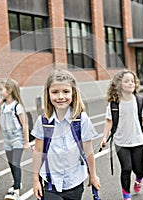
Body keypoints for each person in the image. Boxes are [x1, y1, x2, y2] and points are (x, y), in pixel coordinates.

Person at [32, 69, 101, 200]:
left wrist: (93, 175)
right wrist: (36, 180)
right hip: (51, 183)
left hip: (74, 181)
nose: (60, 97)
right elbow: (38, 152)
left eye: (66, 91)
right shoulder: (43, 121)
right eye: (55, 92)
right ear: (48, 94)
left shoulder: (82, 120)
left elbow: (88, 151)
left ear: (73, 93)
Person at [100, 69, 143, 200]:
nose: (131, 83)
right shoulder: (114, 104)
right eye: (126, 81)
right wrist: (104, 137)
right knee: (126, 169)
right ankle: (126, 196)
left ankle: (139, 179)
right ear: (119, 85)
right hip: (121, 142)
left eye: (132, 81)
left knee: (139, 169)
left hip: (137, 141)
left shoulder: (140, 101)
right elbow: (109, 121)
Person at [0, 78, 30, 200]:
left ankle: (17, 190)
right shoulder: (2, 106)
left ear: (10, 90)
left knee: (15, 163)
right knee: (10, 163)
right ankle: (16, 183)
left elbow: (24, 125)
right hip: (7, 139)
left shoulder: (17, 106)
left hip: (17, 138)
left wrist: (26, 141)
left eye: (1, 89)